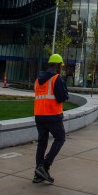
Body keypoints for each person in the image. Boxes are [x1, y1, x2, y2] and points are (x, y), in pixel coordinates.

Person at [33, 53, 69, 184]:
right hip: (52, 115)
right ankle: (45, 166)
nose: (61, 68)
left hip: (39, 115)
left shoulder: (38, 79)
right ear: (57, 65)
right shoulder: (56, 78)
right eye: (61, 66)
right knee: (60, 138)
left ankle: (37, 174)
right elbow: (62, 97)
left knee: (42, 143)